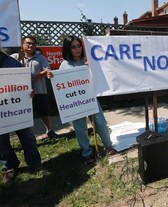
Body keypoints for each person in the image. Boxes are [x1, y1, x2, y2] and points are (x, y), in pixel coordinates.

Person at [48, 35, 116, 164]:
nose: (77, 49)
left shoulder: (89, 60)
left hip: (90, 98)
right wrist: (52, 76)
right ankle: (87, 153)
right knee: (80, 128)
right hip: (75, 102)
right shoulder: (64, 65)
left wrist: (90, 67)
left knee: (100, 122)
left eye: (78, 46)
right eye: (73, 47)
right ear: (68, 49)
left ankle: (108, 146)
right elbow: (60, 82)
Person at [0, 49, 42, 183]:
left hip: (18, 108)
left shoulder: (12, 62)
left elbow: (26, 82)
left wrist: (29, 92)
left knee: (27, 135)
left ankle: (34, 162)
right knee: (1, 142)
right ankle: (9, 167)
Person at [11, 36, 58, 139]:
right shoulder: (14, 57)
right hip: (21, 93)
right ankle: (27, 136)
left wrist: (33, 77)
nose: (31, 45)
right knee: (24, 113)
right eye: (28, 43)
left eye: (33, 44)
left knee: (44, 111)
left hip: (40, 90)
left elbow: (47, 70)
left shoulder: (41, 58)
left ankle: (49, 131)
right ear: (22, 44)